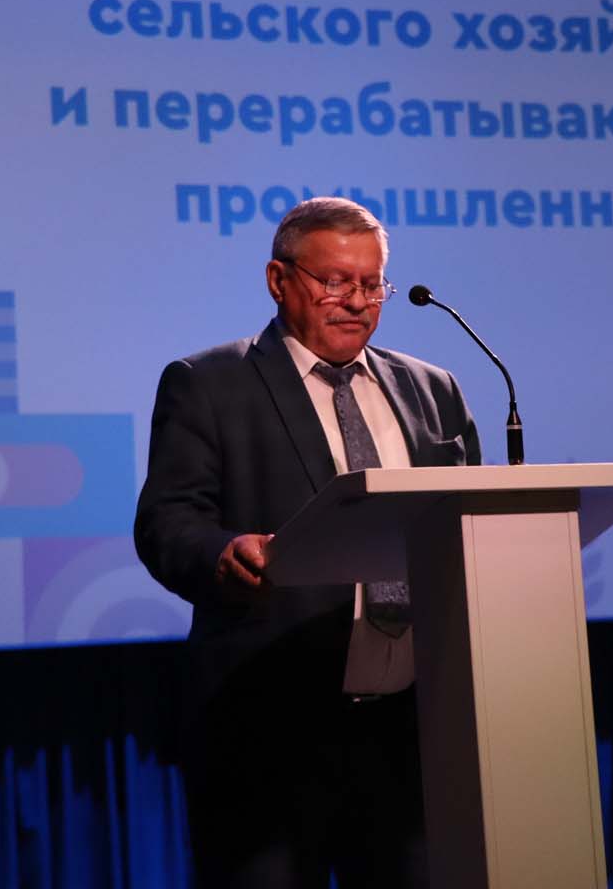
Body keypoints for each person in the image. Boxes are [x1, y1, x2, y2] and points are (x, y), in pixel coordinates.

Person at [134, 196, 481, 888]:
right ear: (278, 279)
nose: (356, 302)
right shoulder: (209, 384)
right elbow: (168, 522)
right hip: (271, 724)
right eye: (335, 282)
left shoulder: (432, 388)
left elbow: (467, 519)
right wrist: (222, 554)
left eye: (371, 285)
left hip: (412, 724)